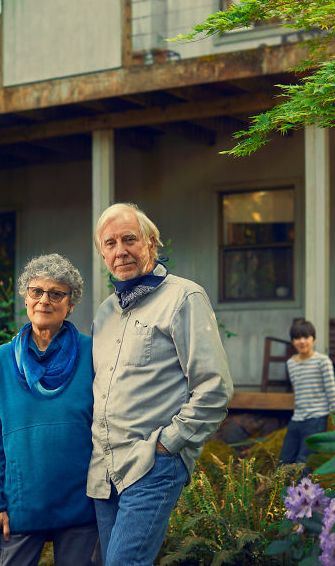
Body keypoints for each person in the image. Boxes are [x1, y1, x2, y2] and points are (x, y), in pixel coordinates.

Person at [89, 203, 234, 566]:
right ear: (102, 253)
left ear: (151, 243)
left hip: (150, 463)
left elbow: (214, 387)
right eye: (110, 243)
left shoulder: (184, 298)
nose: (120, 250)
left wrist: (169, 444)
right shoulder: (105, 312)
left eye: (129, 239)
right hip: (104, 472)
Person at [0, 253, 99, 566]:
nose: (44, 300)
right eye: (37, 292)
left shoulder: (93, 353)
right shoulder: (1, 361)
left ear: (70, 304)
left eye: (56, 293)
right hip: (19, 508)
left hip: (81, 508)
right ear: (26, 297)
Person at [279, 318, 335, 465]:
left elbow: (332, 391)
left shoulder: (323, 361)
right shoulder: (291, 363)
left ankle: (300, 488)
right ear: (293, 341)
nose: (302, 341)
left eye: (306, 337)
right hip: (297, 418)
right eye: (297, 338)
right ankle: (281, 488)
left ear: (313, 339)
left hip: (316, 419)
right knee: (284, 460)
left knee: (303, 461)